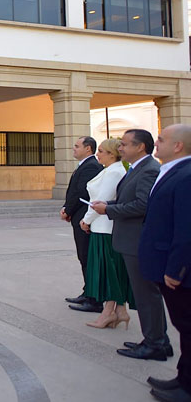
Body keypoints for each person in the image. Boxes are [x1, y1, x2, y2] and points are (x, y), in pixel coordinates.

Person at [91, 129, 172, 361]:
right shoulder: (136, 169)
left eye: (125, 144)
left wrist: (109, 210)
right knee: (145, 294)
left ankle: (155, 343)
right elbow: (130, 199)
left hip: (138, 240)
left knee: (147, 295)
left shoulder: (148, 170)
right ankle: (157, 340)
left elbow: (142, 205)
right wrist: (108, 204)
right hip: (130, 239)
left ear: (140, 147)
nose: (121, 148)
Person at [138, 124, 191, 400]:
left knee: (189, 327)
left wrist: (176, 269)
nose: (155, 143)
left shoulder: (186, 175)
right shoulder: (172, 171)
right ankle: (183, 378)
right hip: (164, 264)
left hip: (178, 271)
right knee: (184, 328)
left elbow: (187, 229)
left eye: (160, 139)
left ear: (178, 146)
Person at [78, 138, 130, 329]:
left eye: (100, 151)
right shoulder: (112, 170)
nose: (97, 154)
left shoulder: (114, 171)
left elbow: (101, 200)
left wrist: (86, 220)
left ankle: (108, 313)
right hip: (104, 226)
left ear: (111, 153)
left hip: (104, 227)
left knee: (108, 272)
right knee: (112, 270)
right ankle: (119, 310)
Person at [62, 136, 105, 313]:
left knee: (87, 257)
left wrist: (68, 209)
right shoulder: (85, 165)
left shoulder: (91, 166)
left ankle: (94, 299)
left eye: (77, 146)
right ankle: (87, 292)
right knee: (83, 256)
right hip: (78, 216)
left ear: (88, 149)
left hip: (83, 217)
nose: (74, 149)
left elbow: (82, 192)